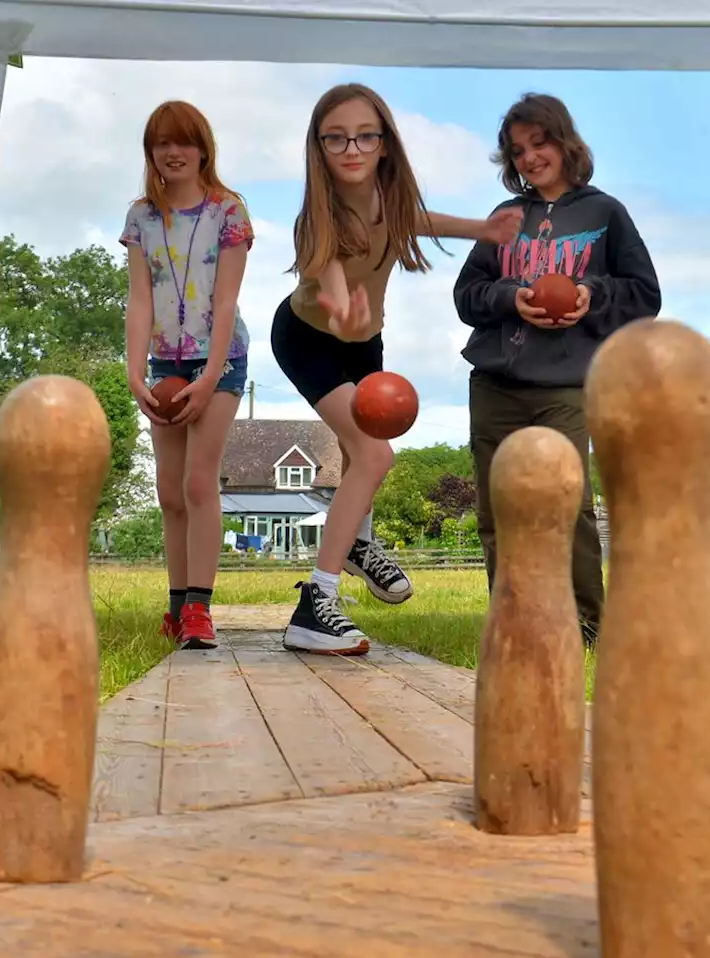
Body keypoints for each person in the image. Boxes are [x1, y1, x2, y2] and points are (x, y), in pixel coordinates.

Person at [271, 82, 523, 655]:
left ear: (384, 143)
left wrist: (483, 230)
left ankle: (357, 541)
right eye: (336, 139)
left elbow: (418, 219)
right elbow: (329, 273)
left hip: (365, 345)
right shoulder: (316, 219)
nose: (352, 148)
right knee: (375, 454)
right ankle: (316, 604)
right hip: (310, 340)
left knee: (367, 451)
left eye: (364, 135)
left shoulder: (390, 199)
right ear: (319, 148)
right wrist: (338, 303)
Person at [451, 92, 662, 647]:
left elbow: (645, 293)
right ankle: (514, 626)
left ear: (564, 142)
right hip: (495, 383)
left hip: (566, 387)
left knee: (566, 506)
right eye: (517, 150)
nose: (529, 157)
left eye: (538, 142)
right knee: (499, 512)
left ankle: (588, 627)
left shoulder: (605, 211)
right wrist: (508, 298)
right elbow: (466, 296)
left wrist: (591, 293)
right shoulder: (505, 218)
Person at [119, 100, 255, 650]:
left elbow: (226, 302)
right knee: (169, 492)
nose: (172, 153)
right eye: (161, 143)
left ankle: (200, 608)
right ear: (151, 152)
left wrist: (212, 372)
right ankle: (176, 607)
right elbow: (139, 299)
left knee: (200, 482)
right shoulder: (141, 216)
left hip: (219, 360)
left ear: (203, 149)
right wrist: (134, 373)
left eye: (183, 142)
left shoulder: (228, 210)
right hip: (163, 363)